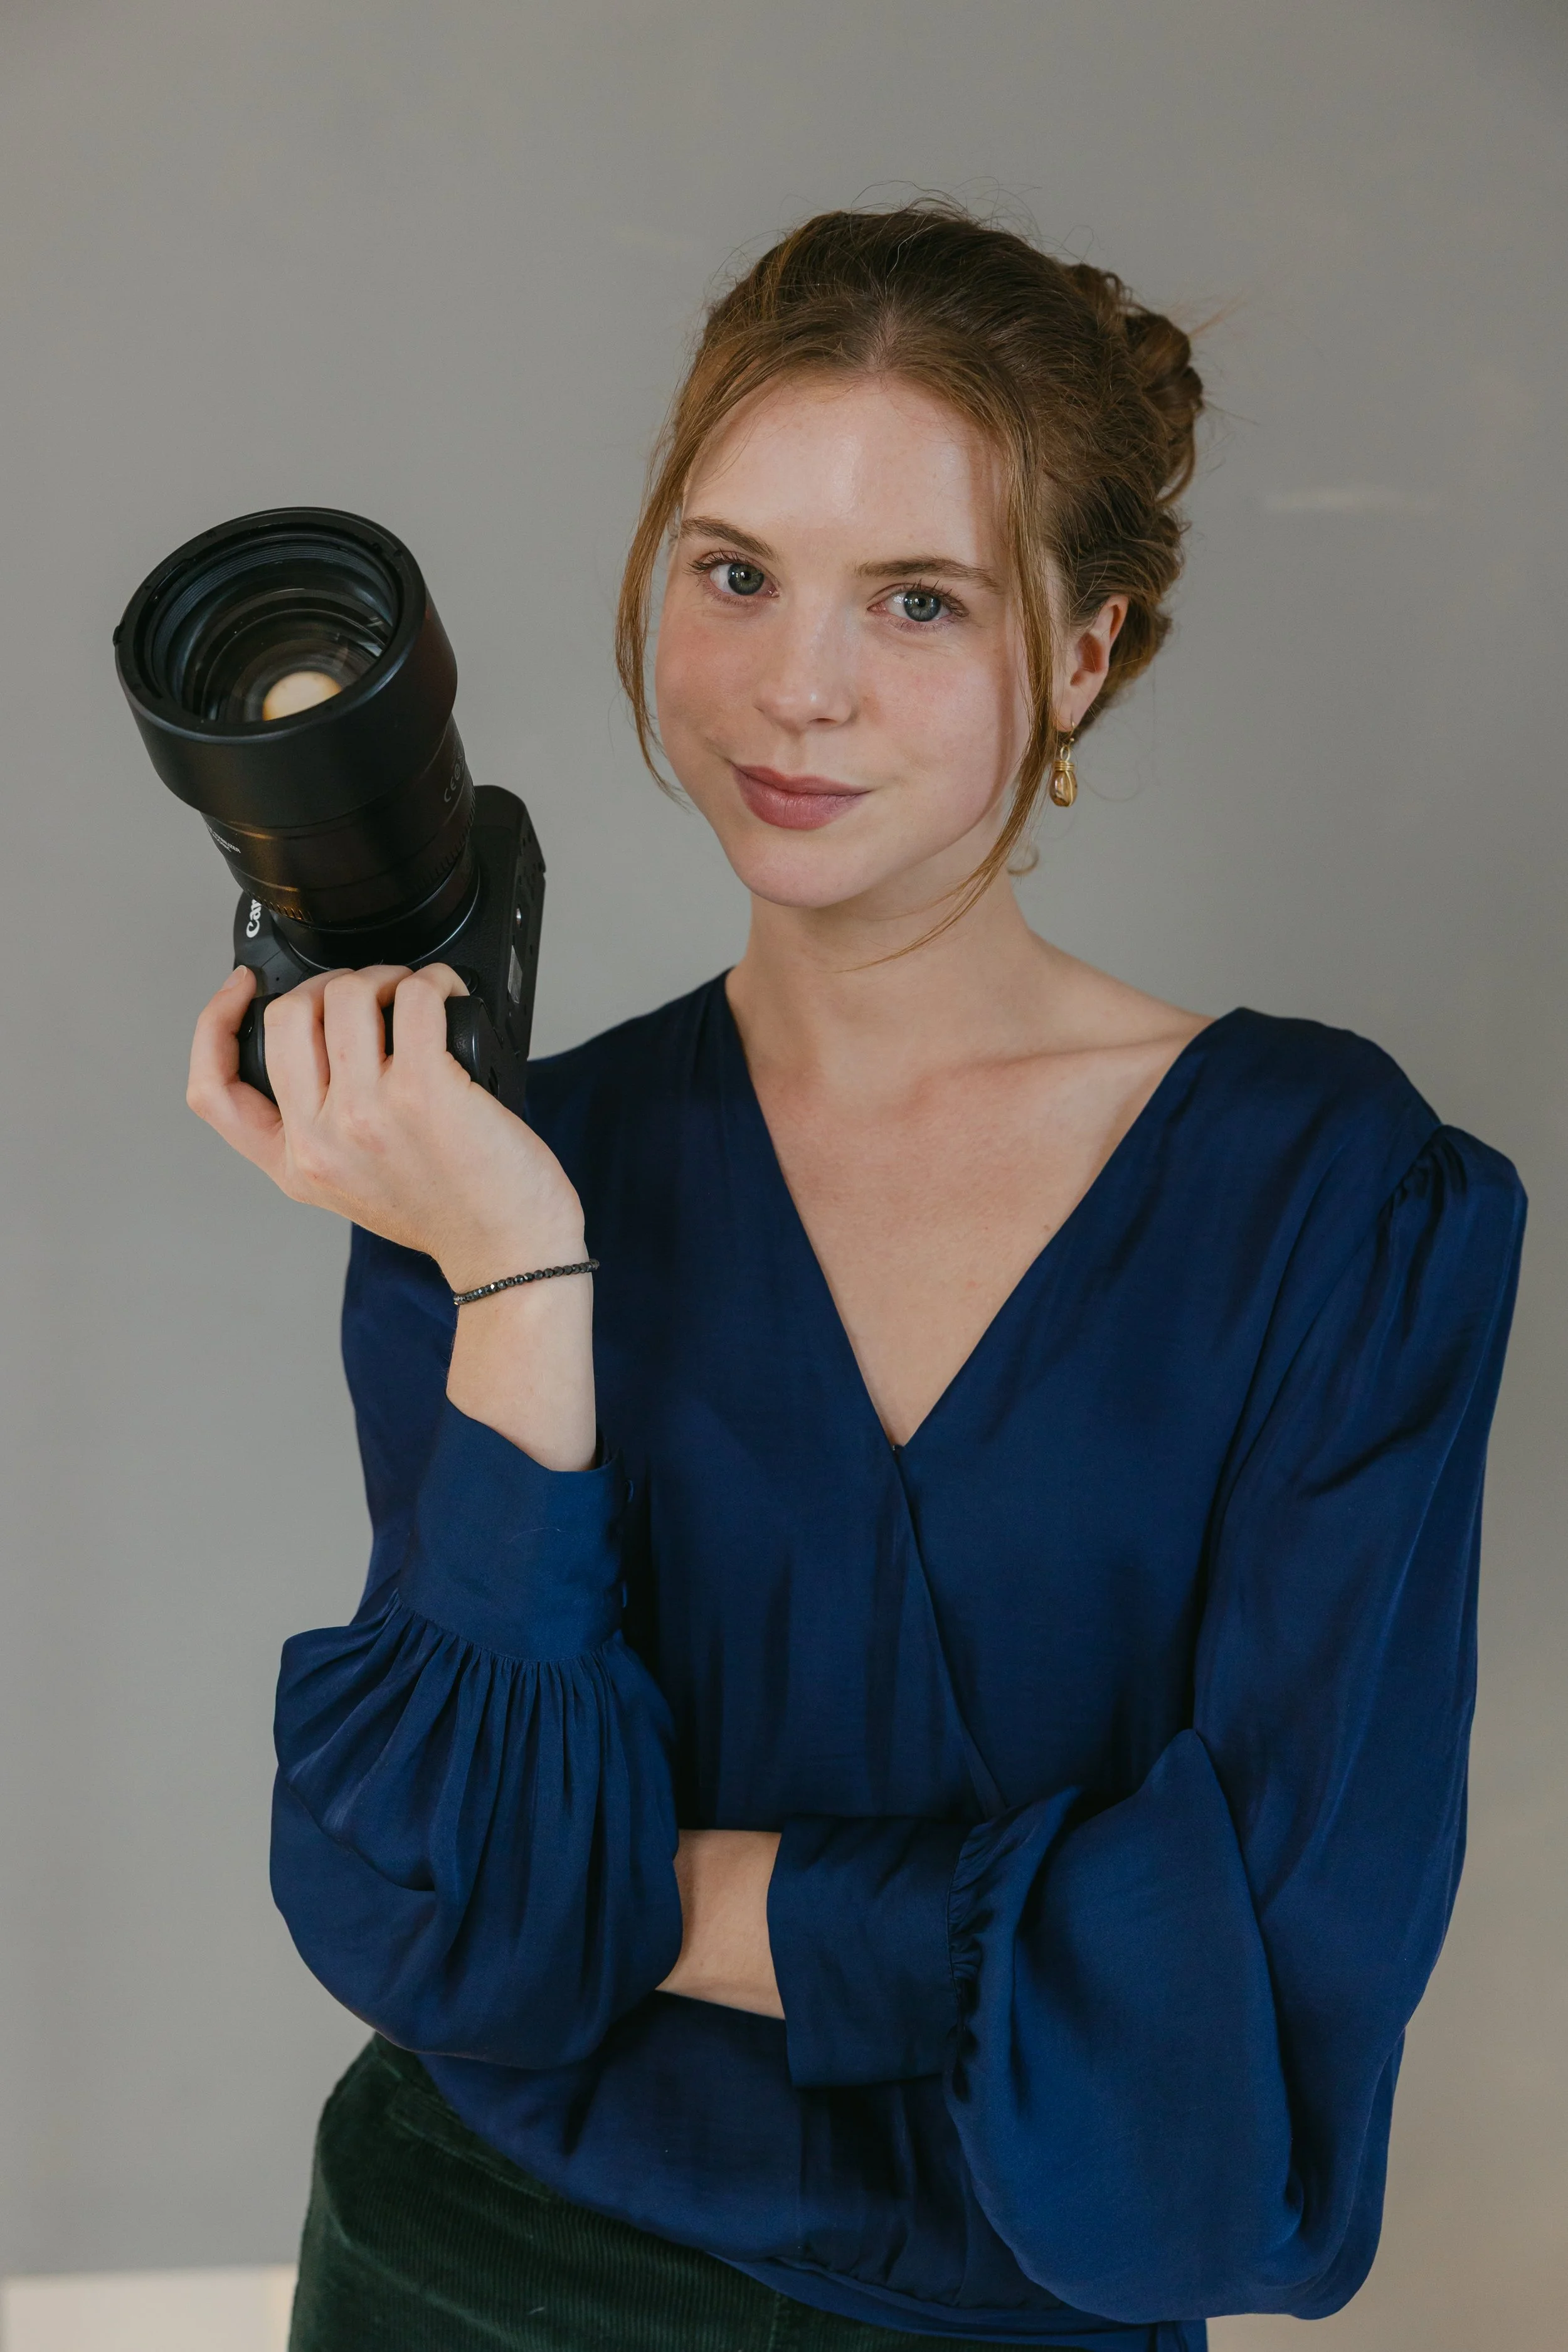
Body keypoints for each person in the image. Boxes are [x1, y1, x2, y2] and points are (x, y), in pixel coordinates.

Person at [188, 204, 1525, 2352]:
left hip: (999, 2311)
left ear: (1083, 652)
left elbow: (1254, 2001)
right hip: (461, 2263)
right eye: (733, 573)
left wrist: (665, 1889)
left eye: (918, 599)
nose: (791, 685)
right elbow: (465, 1913)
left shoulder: (1329, 1197)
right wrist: (515, 1268)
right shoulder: (514, 1167)